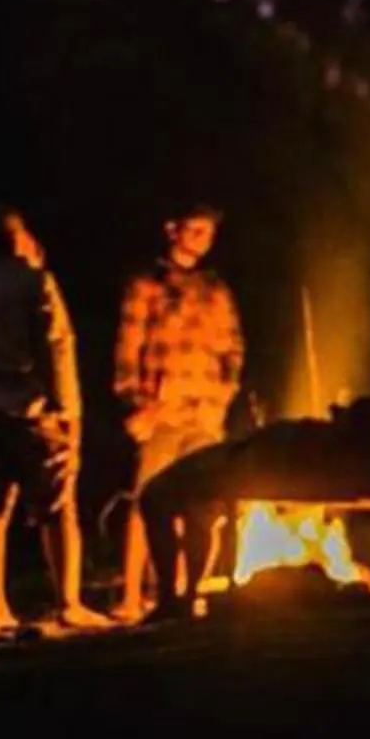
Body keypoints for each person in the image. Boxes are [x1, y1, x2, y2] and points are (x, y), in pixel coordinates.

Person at [0, 204, 110, 636]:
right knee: (57, 505)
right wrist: (69, 413)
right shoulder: (34, 281)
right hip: (33, 408)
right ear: (14, 238)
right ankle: (69, 602)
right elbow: (56, 348)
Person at [112, 201, 250, 617]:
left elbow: (233, 348)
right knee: (147, 501)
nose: (203, 240)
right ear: (172, 230)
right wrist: (136, 402)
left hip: (204, 413)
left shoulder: (215, 289)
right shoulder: (146, 284)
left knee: (201, 508)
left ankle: (188, 593)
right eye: (195, 231)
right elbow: (127, 349)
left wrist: (222, 396)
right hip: (162, 412)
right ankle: (134, 596)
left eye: (208, 233)